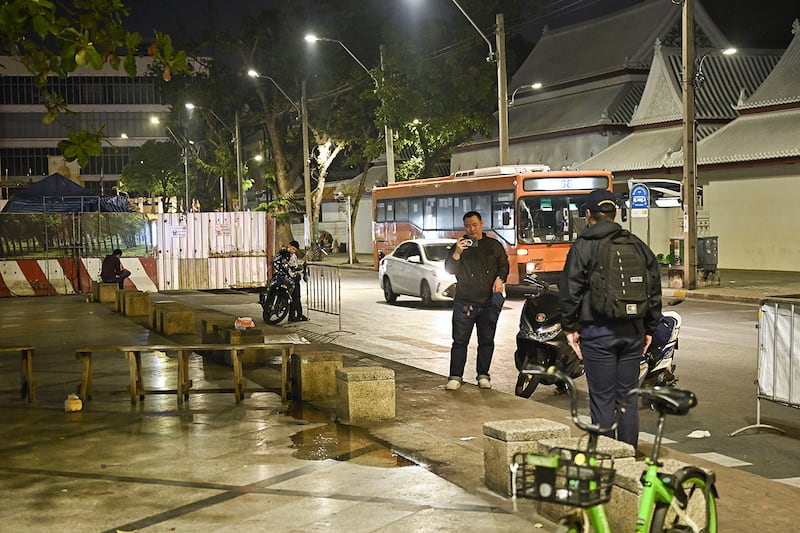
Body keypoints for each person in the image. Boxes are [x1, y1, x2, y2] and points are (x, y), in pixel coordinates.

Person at [559, 189, 662, 449]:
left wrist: (570, 328)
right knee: (626, 398)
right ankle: (628, 455)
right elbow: (653, 288)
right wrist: (649, 328)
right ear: (615, 213)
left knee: (602, 399)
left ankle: (607, 459)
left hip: (597, 332)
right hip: (632, 333)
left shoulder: (583, 246)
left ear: (588, 214)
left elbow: (571, 290)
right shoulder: (636, 244)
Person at [444, 211, 509, 390]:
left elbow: (504, 265)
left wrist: (500, 278)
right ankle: (455, 376)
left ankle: (483, 375)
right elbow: (449, 269)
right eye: (467, 226)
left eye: (474, 225)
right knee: (459, 341)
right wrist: (457, 252)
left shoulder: (494, 245)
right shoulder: (460, 246)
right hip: (465, 301)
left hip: (488, 302)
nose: (471, 229)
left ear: (482, 223)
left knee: (486, 341)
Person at [286, 240, 308, 322]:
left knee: (297, 297)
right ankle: (291, 316)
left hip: (295, 277)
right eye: (293, 249)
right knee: (295, 297)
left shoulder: (294, 255)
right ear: (289, 245)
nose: (294, 251)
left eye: (295, 250)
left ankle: (299, 315)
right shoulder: (286, 255)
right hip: (290, 278)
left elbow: (295, 266)